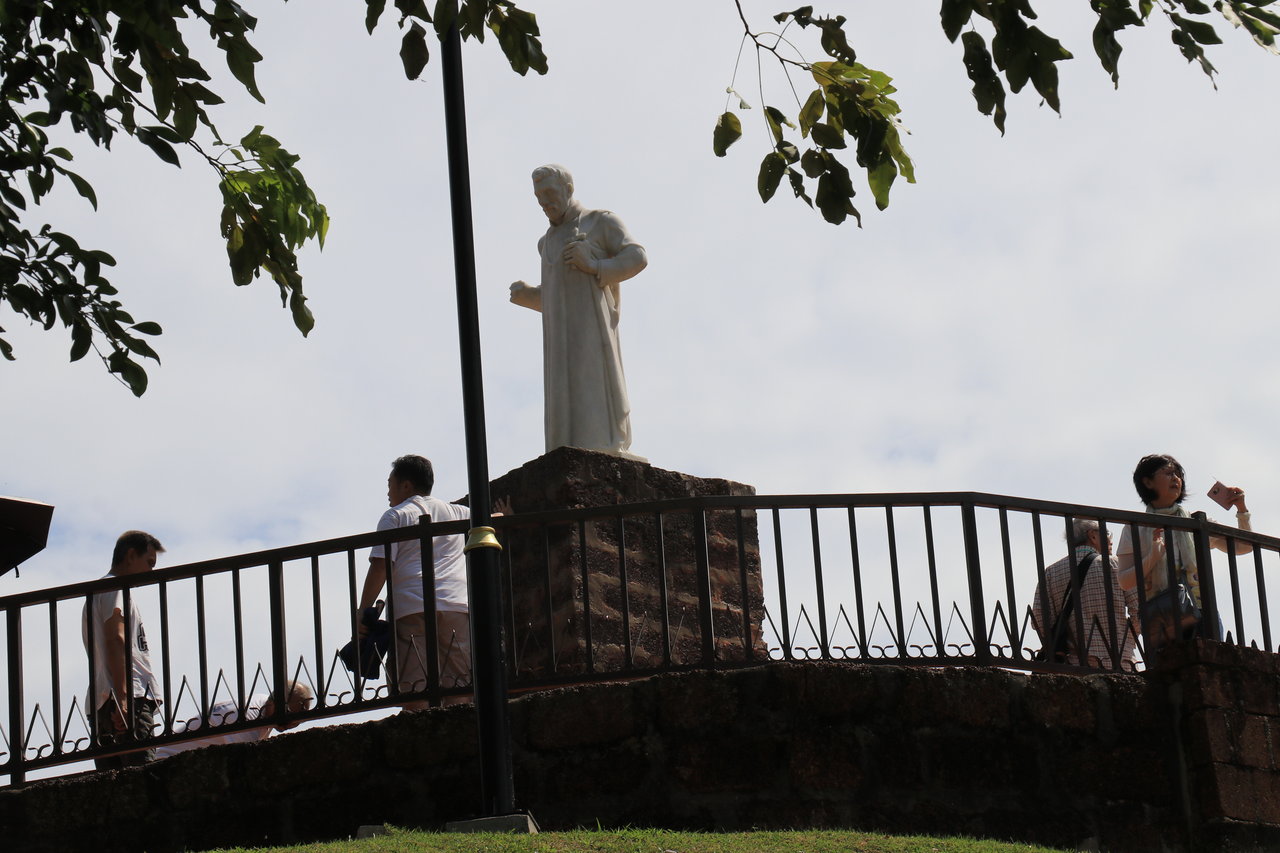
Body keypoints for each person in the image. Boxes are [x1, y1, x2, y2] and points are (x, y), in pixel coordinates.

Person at [509, 164, 649, 458]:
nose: (545, 202)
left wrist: (595, 265)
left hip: (593, 333)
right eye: (538, 196)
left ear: (568, 189)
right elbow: (558, 297)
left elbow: (637, 257)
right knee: (563, 402)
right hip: (560, 344)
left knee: (593, 391)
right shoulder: (545, 243)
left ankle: (603, 450)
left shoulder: (600, 222)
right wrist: (530, 296)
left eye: (550, 193)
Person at [357, 455, 471, 711]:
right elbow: (490, 520)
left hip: (411, 606)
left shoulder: (395, 516)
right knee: (458, 681)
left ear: (406, 485)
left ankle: (420, 729)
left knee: (413, 684)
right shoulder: (458, 512)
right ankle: (462, 726)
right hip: (455, 605)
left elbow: (381, 566)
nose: (388, 492)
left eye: (390, 484)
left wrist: (363, 610)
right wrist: (505, 516)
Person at [1116, 454, 1254, 644]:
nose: (1175, 478)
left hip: (1201, 612)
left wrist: (1241, 509)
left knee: (1210, 661)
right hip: (1161, 617)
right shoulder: (1135, 527)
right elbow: (1124, 581)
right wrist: (1153, 556)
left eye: (1178, 474)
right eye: (1167, 473)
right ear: (1147, 482)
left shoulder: (1196, 522)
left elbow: (1243, 547)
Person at [82, 530, 164, 769]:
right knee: (143, 777)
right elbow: (115, 639)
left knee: (112, 783)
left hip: (102, 700)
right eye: (149, 562)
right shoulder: (115, 588)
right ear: (131, 555)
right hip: (127, 696)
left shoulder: (100, 592)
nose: (151, 571)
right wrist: (123, 699)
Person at [1032, 519, 1141, 669]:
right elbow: (1139, 610)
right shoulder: (1115, 565)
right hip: (1117, 661)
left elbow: (1039, 620)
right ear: (1093, 536)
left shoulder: (1051, 573)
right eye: (1107, 533)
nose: (1110, 540)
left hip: (1071, 667)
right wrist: (1126, 639)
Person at [154, 682, 314, 758]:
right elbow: (243, 763)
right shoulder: (247, 720)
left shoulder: (263, 702)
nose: (291, 724)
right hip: (168, 761)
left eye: (297, 721)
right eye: (290, 716)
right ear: (275, 703)